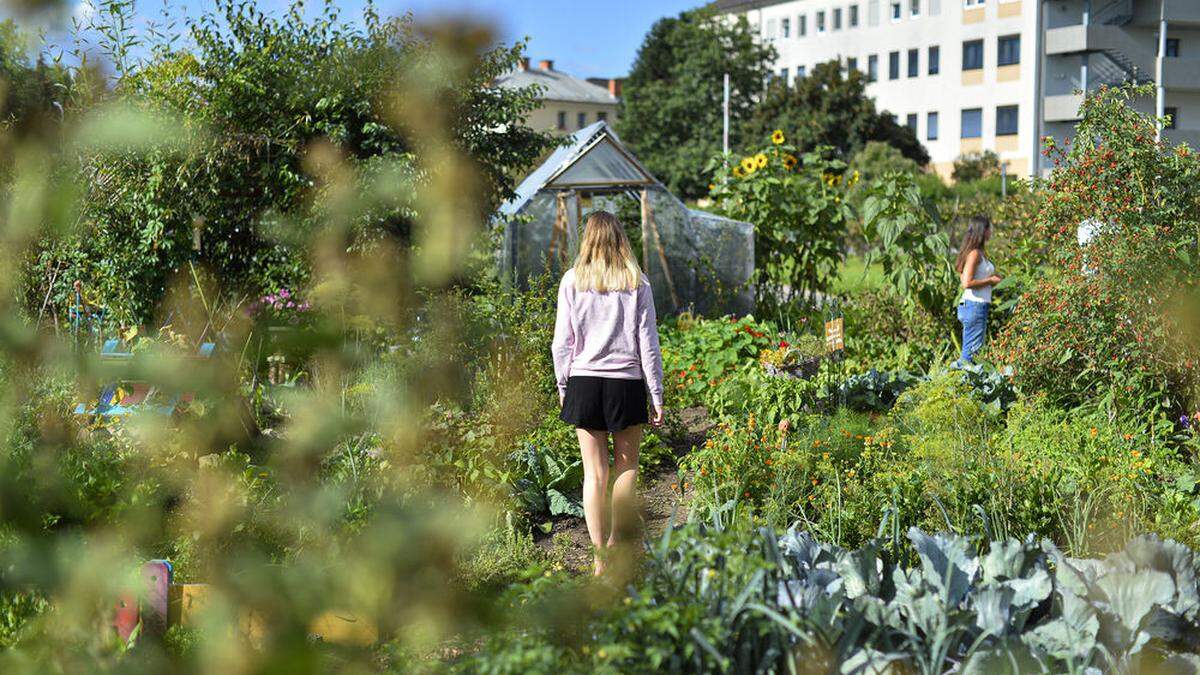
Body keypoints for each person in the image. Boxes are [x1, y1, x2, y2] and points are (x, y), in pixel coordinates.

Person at [552, 210, 664, 577]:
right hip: (626, 382)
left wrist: (564, 386)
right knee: (627, 467)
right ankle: (618, 544)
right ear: (621, 239)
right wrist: (657, 394)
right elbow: (648, 345)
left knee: (593, 475)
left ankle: (599, 557)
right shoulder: (637, 281)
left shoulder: (572, 280)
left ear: (587, 239)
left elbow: (561, 344)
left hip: (584, 381)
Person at [954, 216, 1002, 366]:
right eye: (989, 229)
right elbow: (966, 282)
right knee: (970, 355)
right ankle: (957, 382)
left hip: (974, 306)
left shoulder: (977, 252)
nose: (991, 232)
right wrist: (990, 280)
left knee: (972, 352)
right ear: (983, 231)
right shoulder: (974, 254)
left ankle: (961, 382)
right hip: (975, 306)